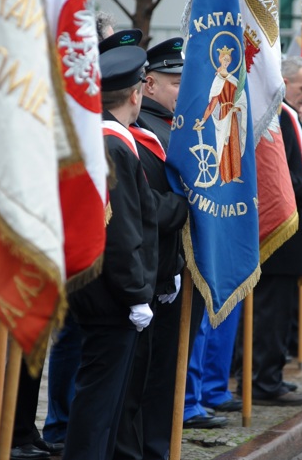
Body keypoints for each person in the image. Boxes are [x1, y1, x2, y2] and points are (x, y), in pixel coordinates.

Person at [62, 44, 158, 460]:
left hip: (96, 288)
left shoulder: (99, 139)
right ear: (136, 94)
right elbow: (120, 232)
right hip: (111, 295)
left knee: (104, 400)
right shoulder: (114, 145)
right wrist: (136, 293)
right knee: (99, 402)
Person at [237, 56, 302, 407]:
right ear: (282, 81)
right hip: (275, 230)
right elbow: (279, 178)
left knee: (278, 311)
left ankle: (266, 375)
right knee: (271, 311)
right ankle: (263, 380)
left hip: (289, 229)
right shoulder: (276, 115)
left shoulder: (289, 116)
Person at [113, 36, 189, 459]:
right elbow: (143, 208)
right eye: (174, 82)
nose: (182, 89)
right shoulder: (141, 132)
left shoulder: (173, 128)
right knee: (140, 379)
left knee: (161, 375)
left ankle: (154, 448)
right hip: (144, 273)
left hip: (166, 268)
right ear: (149, 85)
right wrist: (185, 205)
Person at [194, 46, 247, 185]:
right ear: (220, 60)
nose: (226, 63)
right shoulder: (217, 80)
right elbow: (213, 103)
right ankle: (224, 177)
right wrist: (204, 120)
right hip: (223, 115)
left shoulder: (233, 80)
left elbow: (242, 98)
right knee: (224, 144)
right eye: (224, 60)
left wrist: (238, 107)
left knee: (234, 143)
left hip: (233, 116)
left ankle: (235, 175)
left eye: (228, 60)